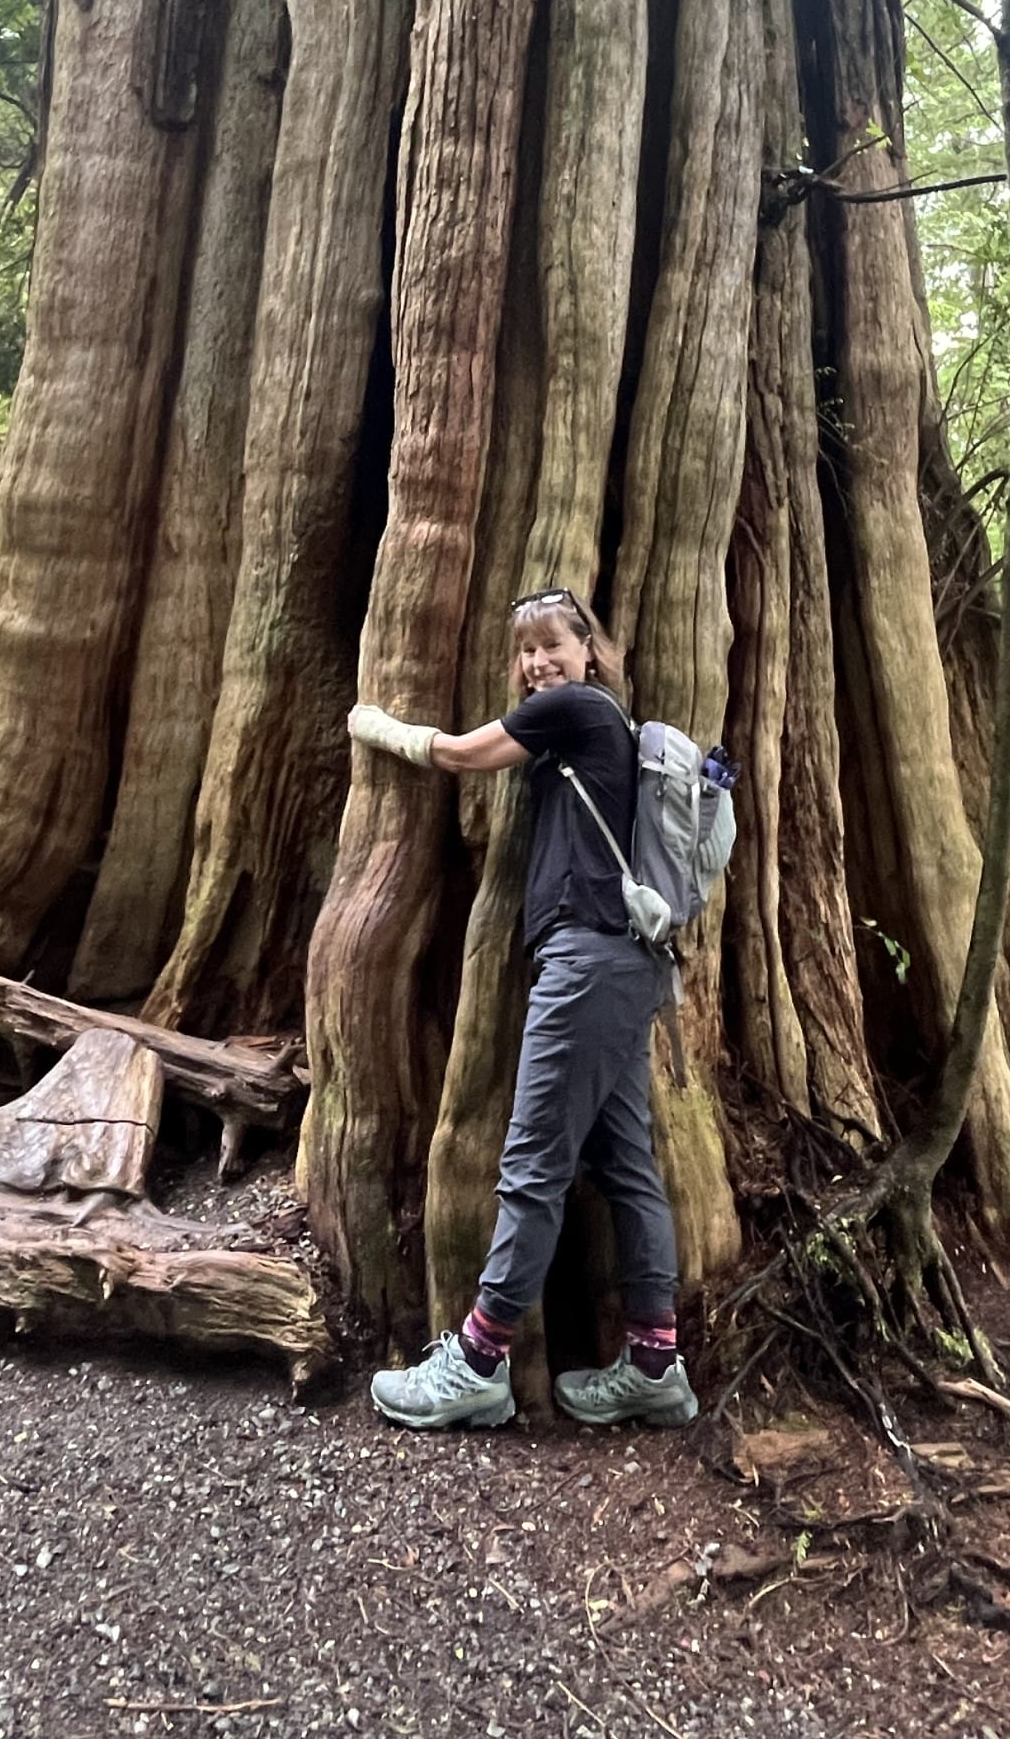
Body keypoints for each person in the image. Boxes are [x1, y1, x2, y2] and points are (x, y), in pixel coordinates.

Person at [346, 587, 697, 1432]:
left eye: (552, 645)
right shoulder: (592, 723)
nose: (538, 663)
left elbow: (466, 753)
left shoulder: (579, 708)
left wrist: (377, 724)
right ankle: (655, 1366)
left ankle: (478, 1360)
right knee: (624, 1164)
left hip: (585, 964)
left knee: (534, 1162)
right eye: (525, 651)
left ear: (589, 651)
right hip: (625, 965)